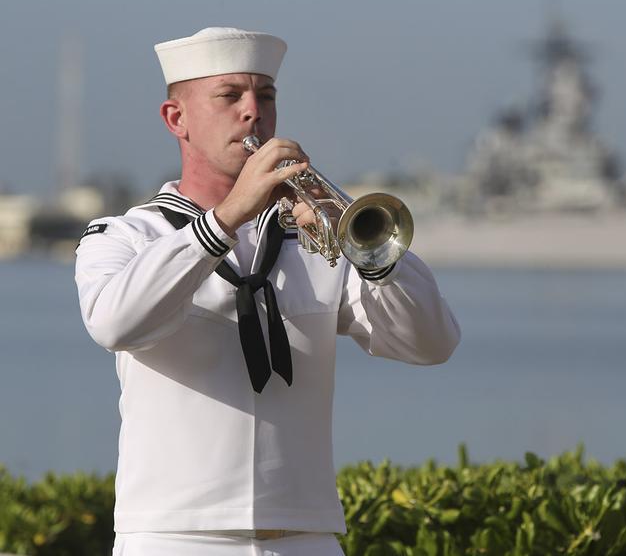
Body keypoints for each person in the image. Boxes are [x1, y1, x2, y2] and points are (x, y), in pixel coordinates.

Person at [74, 27, 461, 555]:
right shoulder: (126, 236)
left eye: (267, 96)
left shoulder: (313, 236)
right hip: (173, 536)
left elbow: (432, 343)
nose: (253, 111)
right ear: (176, 119)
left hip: (308, 536)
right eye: (230, 95)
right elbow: (115, 323)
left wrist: (369, 258)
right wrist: (227, 218)